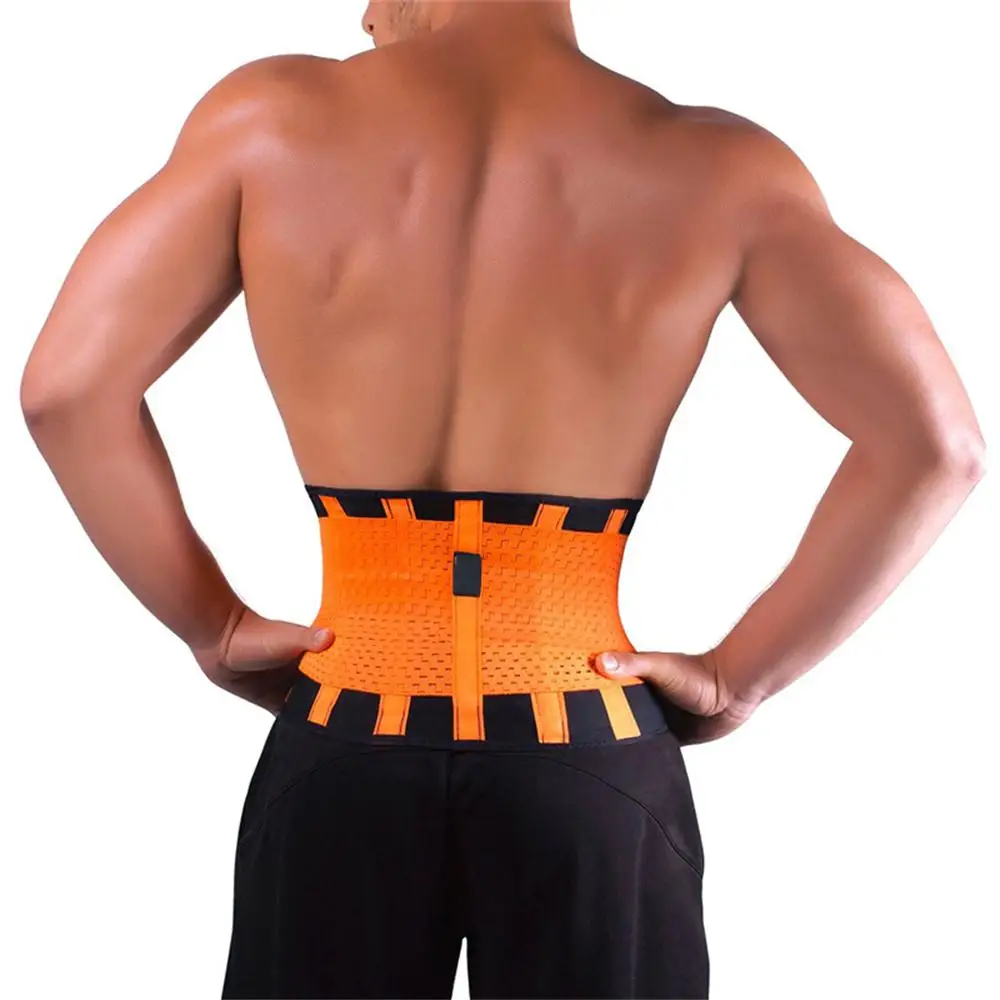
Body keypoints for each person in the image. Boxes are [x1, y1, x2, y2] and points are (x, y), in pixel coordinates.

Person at [20, 1, 985, 997]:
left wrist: (213, 626)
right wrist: (739, 679)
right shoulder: (721, 167)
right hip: (587, 742)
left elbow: (64, 391)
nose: (363, 15)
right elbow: (936, 447)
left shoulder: (268, 121)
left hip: (347, 734)